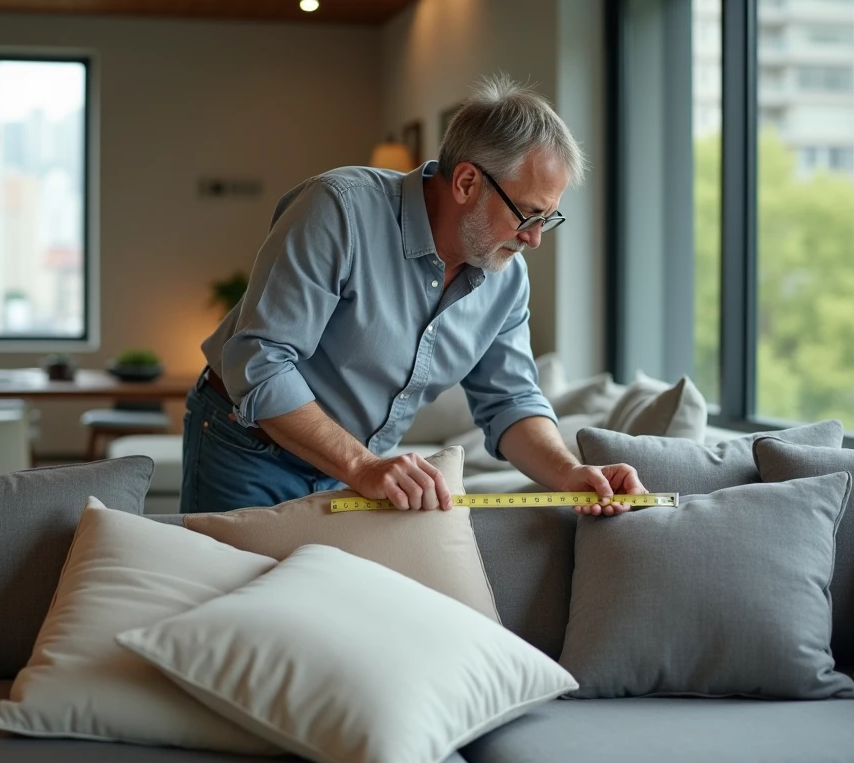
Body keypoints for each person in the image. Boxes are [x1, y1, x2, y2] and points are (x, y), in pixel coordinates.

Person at [180, 74, 646, 514]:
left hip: (354, 468)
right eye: (528, 214)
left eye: (547, 219)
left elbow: (511, 402)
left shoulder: (507, 277)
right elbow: (260, 362)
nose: (535, 238)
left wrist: (570, 473)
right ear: (467, 182)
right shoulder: (338, 211)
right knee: (234, 595)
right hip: (247, 444)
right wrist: (361, 466)